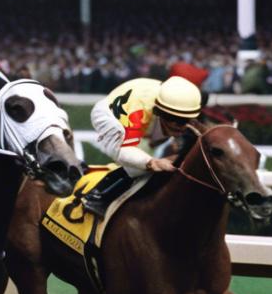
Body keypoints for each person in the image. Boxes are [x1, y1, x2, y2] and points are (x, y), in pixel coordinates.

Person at [83, 75, 202, 217]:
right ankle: (98, 197)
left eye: (186, 120)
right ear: (160, 112)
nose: (182, 126)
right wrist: (152, 162)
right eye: (176, 120)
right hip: (109, 116)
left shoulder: (175, 103)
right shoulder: (139, 110)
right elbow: (123, 150)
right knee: (140, 166)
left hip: (142, 111)